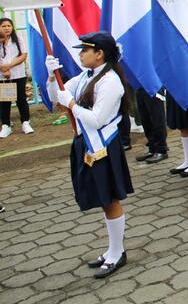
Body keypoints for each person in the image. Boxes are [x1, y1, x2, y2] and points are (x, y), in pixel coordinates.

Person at [45, 32, 133, 278]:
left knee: (110, 198)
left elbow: (96, 119)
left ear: (99, 54)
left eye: (84, 50)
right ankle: (112, 248)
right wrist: (52, 77)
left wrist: (72, 105)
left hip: (103, 145)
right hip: (86, 143)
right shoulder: (87, 76)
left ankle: (118, 252)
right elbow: (56, 98)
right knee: (102, 198)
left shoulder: (111, 81)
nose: (80, 54)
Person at [0, 18, 30, 138]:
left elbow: (23, 55)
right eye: (3, 26)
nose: (7, 28)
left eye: (9, 25)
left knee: (21, 99)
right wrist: (4, 69)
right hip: (3, 76)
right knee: (5, 101)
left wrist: (9, 66)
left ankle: (25, 122)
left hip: (18, 74)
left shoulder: (17, 38)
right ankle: (6, 126)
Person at [133, 88, 168, 164]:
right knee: (146, 120)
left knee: (157, 119)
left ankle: (161, 149)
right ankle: (152, 148)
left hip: (153, 86)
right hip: (139, 87)